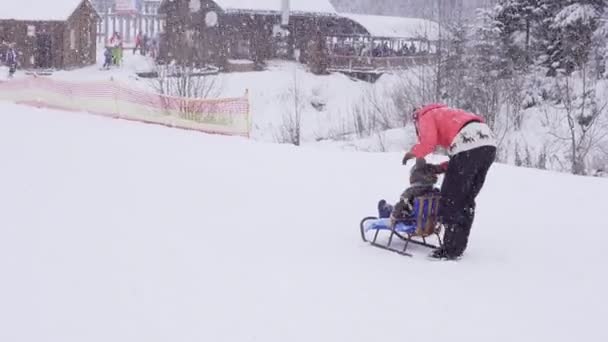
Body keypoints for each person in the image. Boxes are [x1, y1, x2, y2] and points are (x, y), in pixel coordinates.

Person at [402, 104, 497, 260]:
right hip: (488, 143)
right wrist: (440, 168)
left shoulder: (425, 115)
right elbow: (463, 160)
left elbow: (429, 143)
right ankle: (457, 246)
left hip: (469, 144)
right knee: (466, 199)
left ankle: (450, 249)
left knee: (450, 198)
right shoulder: (449, 113)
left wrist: (413, 153)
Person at [378, 158, 441, 222]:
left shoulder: (411, 191)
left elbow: (401, 204)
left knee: (391, 208)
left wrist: (393, 215)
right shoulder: (435, 191)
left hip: (410, 219)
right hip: (428, 221)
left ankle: (385, 211)